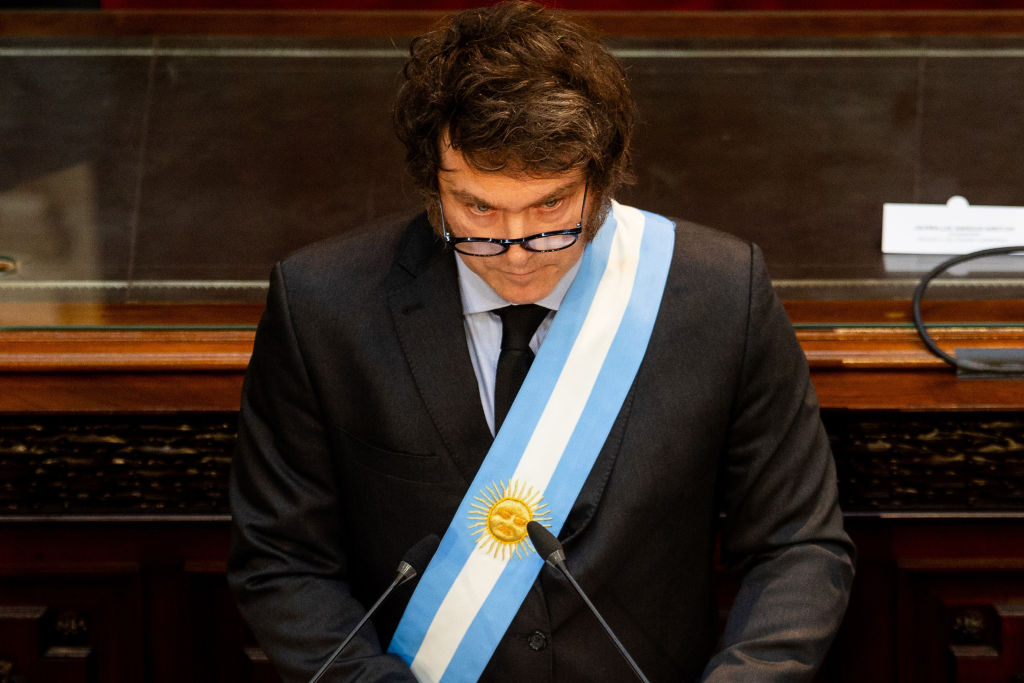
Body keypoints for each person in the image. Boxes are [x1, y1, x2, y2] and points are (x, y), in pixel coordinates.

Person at [227, 2, 855, 682]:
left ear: (602, 178)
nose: (517, 252)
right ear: (431, 188)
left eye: (552, 207)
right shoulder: (323, 305)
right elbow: (280, 558)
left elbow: (799, 545)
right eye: (478, 210)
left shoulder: (721, 294)